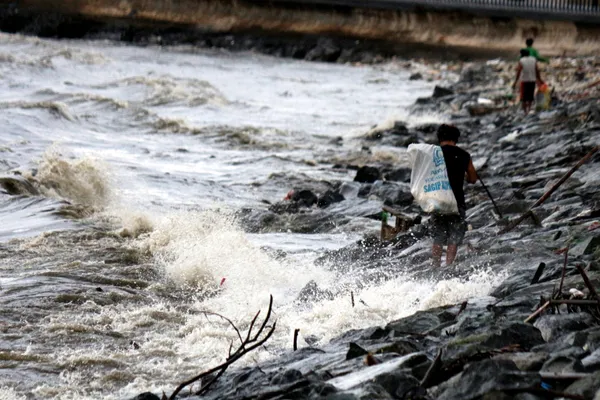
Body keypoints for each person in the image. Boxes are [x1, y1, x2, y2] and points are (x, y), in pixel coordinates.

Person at [431, 124, 477, 267]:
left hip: (437, 200)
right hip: (456, 201)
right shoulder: (464, 155)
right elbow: (473, 179)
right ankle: (449, 265)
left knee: (438, 235)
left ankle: (435, 264)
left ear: (440, 138)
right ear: (456, 138)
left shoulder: (433, 154)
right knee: (454, 236)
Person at [513, 49, 544, 114]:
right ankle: (529, 109)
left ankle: (525, 112)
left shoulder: (521, 60)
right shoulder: (533, 59)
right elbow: (537, 70)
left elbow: (519, 71)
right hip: (532, 80)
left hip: (524, 80)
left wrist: (515, 81)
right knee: (530, 96)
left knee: (523, 97)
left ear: (522, 54)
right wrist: (539, 79)